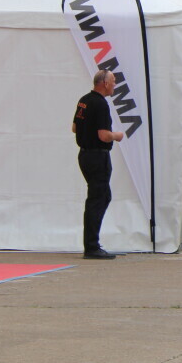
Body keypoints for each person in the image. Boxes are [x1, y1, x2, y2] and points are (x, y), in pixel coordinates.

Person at [72, 70, 124, 259]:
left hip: (85, 155)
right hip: (97, 156)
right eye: (113, 82)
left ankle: (92, 242)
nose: (114, 85)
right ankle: (92, 246)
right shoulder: (101, 104)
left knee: (101, 196)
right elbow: (103, 135)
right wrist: (116, 136)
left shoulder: (84, 100)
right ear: (104, 83)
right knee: (97, 198)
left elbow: (74, 127)